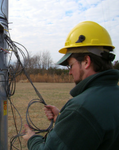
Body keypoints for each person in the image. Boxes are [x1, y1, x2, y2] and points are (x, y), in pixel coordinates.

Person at [22, 21, 119, 150]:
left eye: (71, 65)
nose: (69, 72)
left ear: (86, 61)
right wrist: (63, 118)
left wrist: (32, 139)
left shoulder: (81, 110)